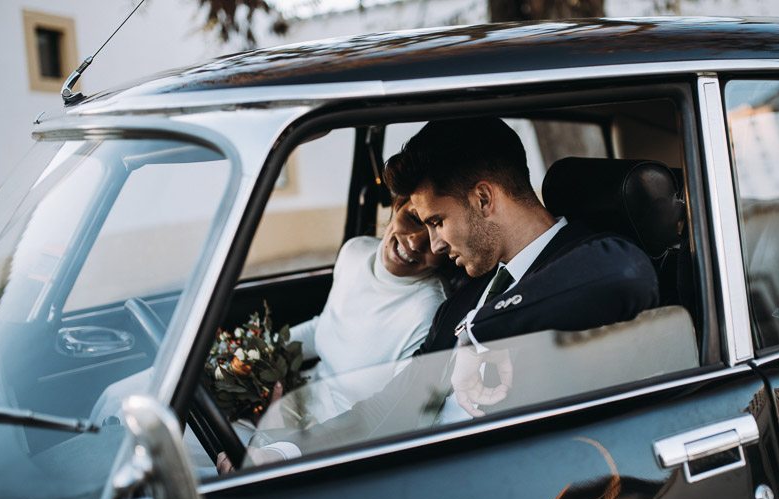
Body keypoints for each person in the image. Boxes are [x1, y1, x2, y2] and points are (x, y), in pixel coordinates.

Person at [234, 117, 659, 467]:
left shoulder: (587, 260)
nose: (434, 245)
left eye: (437, 221)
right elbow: (396, 404)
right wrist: (288, 452)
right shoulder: (465, 294)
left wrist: (479, 334)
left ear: (483, 199)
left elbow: (626, 273)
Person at [282, 194, 449, 424]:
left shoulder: (428, 313)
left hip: (333, 435)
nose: (414, 242)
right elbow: (326, 325)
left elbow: (394, 414)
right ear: (397, 206)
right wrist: (253, 357)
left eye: (435, 235)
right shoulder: (356, 251)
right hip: (296, 398)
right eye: (414, 219)